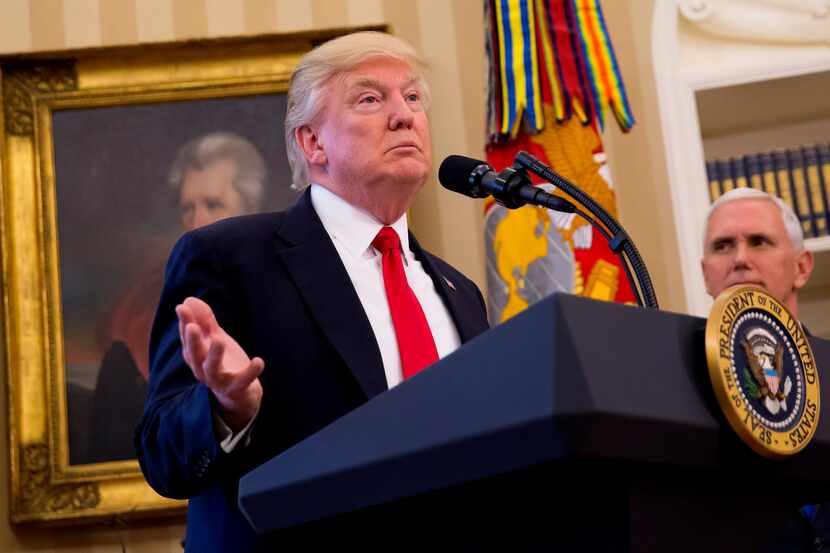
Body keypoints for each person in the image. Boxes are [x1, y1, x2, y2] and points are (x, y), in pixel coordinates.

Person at [134, 31, 490, 552]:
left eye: (412, 98)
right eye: (371, 98)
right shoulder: (228, 258)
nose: (404, 115)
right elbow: (161, 454)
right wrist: (226, 408)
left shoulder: (460, 293)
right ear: (312, 142)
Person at [84, 133, 267, 464]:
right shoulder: (152, 295)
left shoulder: (279, 279)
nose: (195, 222)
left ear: (250, 209)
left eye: (212, 205)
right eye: (187, 207)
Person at [701, 187, 826, 552]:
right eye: (723, 246)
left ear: (801, 267)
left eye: (759, 242)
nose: (740, 259)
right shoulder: (683, 391)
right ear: (706, 274)